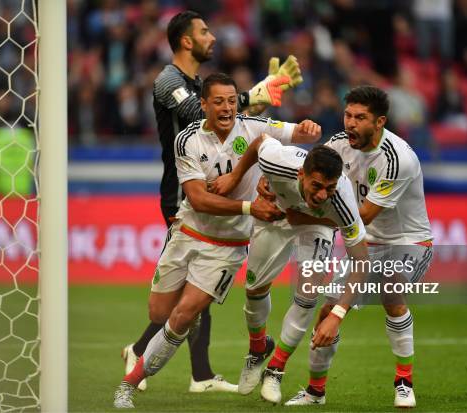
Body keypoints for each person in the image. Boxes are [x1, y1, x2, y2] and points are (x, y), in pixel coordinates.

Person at [113, 73, 322, 408]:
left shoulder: (253, 126)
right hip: (188, 233)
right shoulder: (188, 140)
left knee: (182, 316)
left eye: (231, 100)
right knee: (159, 312)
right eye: (219, 102)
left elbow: (298, 133)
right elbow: (198, 199)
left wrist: (309, 129)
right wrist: (249, 206)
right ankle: (153, 342)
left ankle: (128, 384)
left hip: (227, 246)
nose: (226, 108)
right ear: (204, 105)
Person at [284, 85, 434, 408]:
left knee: (392, 291)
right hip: (367, 246)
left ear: (379, 122)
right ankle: (315, 392)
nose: (350, 123)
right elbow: (309, 177)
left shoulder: (398, 159)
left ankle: (404, 382)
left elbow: (361, 216)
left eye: (360, 118)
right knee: (327, 311)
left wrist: (303, 215)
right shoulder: (337, 145)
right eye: (348, 115)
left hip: (409, 242)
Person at [210, 135, 370, 404]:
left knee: (308, 295)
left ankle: (276, 369)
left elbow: (362, 261)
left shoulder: (342, 200)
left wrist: (338, 314)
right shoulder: (278, 160)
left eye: (328, 189)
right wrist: (237, 176)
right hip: (276, 214)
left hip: (318, 225)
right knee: (254, 290)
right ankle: (258, 349)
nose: (321, 195)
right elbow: (260, 140)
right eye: (316, 185)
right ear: (300, 173)